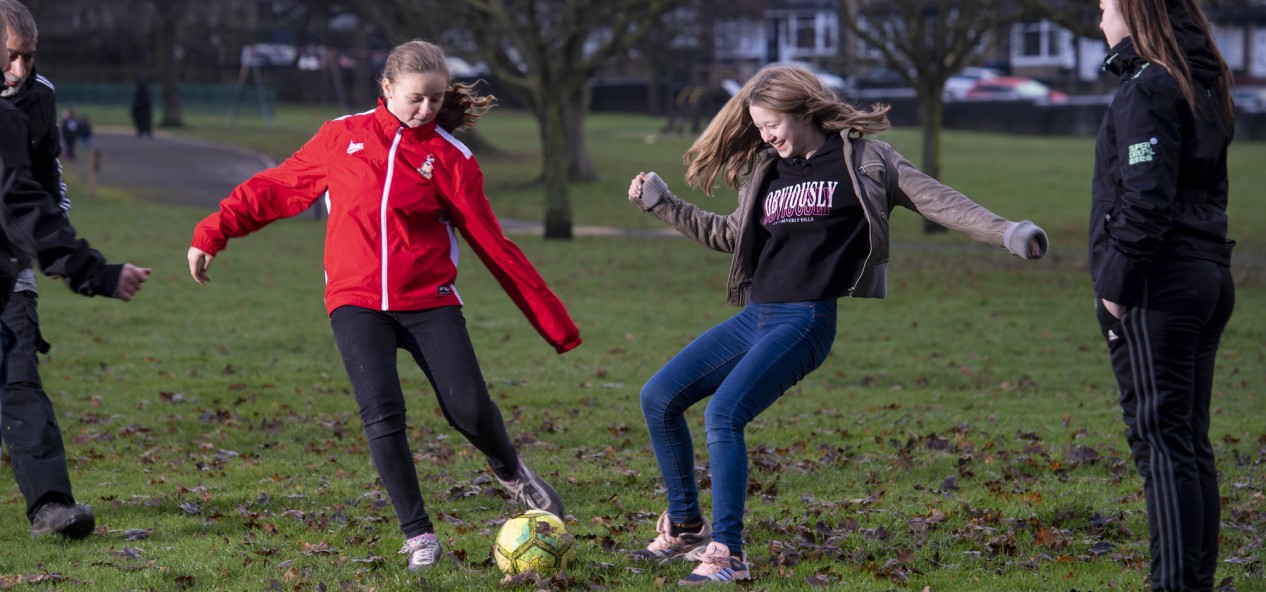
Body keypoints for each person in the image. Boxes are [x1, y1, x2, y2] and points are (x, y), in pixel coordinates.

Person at [624, 64, 1049, 585]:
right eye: (757, 127)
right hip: (755, 315)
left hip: (804, 320)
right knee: (659, 396)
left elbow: (940, 202)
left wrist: (1008, 232)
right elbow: (730, 235)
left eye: (771, 124)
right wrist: (662, 203)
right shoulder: (768, 168)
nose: (765, 135)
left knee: (723, 415)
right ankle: (686, 525)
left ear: (803, 110)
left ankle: (728, 552)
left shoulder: (865, 161)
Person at [187, 39, 582, 573]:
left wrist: (553, 322)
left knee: (466, 405)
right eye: (416, 98)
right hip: (355, 301)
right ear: (387, 88)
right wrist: (213, 232)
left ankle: (511, 470)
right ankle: (418, 534)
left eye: (437, 100)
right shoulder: (340, 137)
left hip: (428, 301)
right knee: (381, 413)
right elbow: (275, 188)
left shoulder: (452, 159)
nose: (426, 110)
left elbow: (495, 246)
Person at [1091, 1, 1236, 590]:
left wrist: (1115, 289)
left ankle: (1174, 585)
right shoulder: (1203, 83)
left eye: (1103, 7)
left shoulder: (1149, 88)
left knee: (1160, 442)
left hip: (1160, 284)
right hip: (1206, 274)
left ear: (1131, 10)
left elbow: (1146, 199)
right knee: (1185, 440)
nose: (1098, 19)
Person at [2, 0, 111, 540]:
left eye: (29, 57)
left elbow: (48, 177)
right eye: (11, 57)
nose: (20, 70)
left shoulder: (39, 98)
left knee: (20, 381)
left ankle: (50, 506)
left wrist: (55, 249)